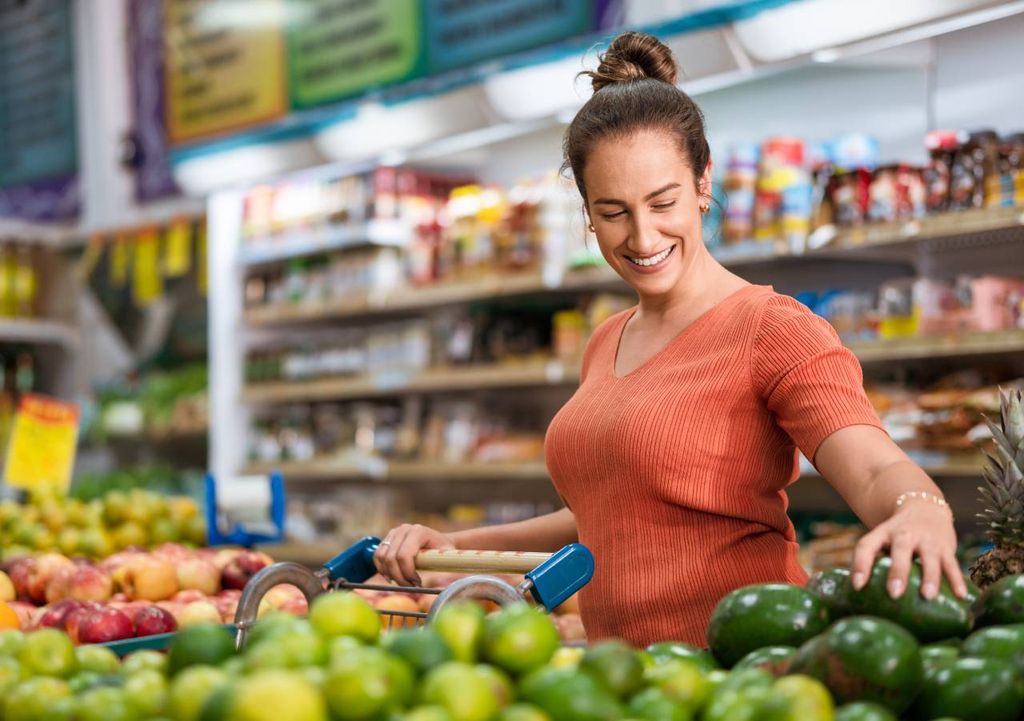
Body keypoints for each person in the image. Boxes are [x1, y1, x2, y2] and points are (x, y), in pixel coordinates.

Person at [374, 31, 966, 648]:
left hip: (741, 671)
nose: (643, 236)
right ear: (586, 211)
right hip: (626, 678)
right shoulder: (606, 339)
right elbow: (608, 515)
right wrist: (455, 547)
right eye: (612, 212)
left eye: (663, 202)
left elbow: (872, 470)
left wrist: (919, 504)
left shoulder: (775, 328)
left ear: (703, 183)